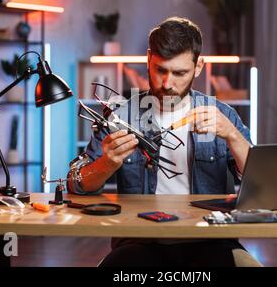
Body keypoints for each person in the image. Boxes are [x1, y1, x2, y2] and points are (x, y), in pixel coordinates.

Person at [68, 16, 252, 267]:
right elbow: (75, 184)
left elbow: (259, 186)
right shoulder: (121, 116)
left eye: (180, 73)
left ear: (199, 67)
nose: (167, 84)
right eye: (160, 70)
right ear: (148, 60)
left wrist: (232, 135)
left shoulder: (223, 115)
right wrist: (105, 164)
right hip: (139, 242)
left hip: (210, 240)